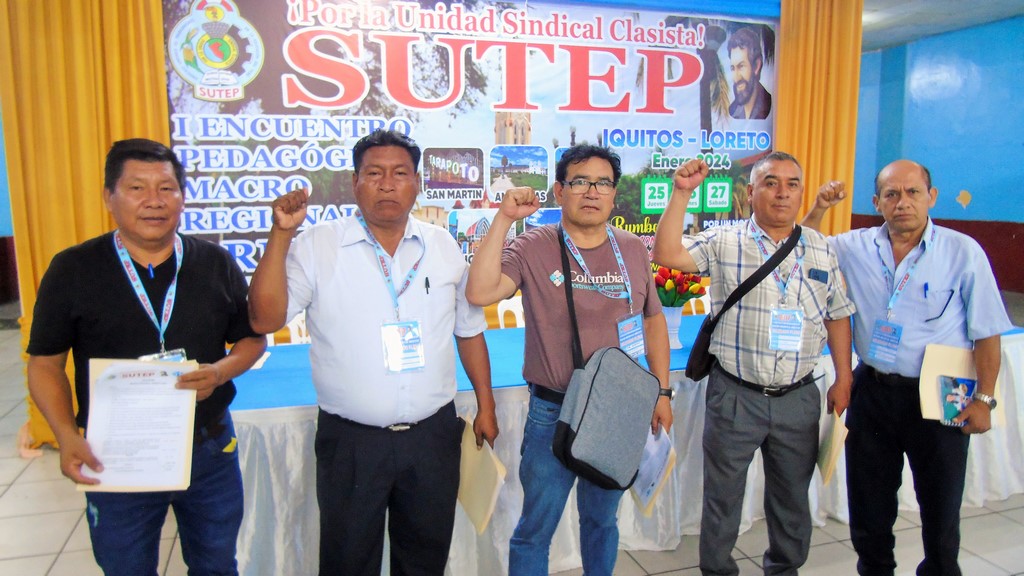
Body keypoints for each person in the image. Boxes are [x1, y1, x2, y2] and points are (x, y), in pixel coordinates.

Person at [247, 129, 498, 576]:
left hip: (432, 437)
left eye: (400, 173)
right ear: (355, 182)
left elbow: (468, 331)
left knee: (424, 558)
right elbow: (265, 319)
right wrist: (281, 235)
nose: (387, 184)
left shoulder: (442, 245)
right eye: (374, 173)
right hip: (352, 443)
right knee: (347, 560)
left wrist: (487, 405)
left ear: (417, 182)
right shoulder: (317, 245)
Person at [26, 138, 266, 575]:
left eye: (166, 188)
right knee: (126, 567)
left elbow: (252, 341)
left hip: (208, 446)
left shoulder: (214, 263)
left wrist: (219, 372)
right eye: (137, 188)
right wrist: (65, 434)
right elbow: (45, 363)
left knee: (216, 564)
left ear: (182, 198)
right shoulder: (73, 269)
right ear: (109, 197)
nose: (154, 201)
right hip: (116, 451)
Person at [465, 144, 674, 575]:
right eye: (580, 182)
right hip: (553, 411)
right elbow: (480, 292)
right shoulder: (533, 246)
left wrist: (663, 390)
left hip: (619, 411)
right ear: (560, 191)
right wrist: (504, 219)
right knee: (535, 530)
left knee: (602, 522)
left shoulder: (633, 248)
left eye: (603, 183)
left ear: (614, 195)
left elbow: (653, 319)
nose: (592, 192)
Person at [803, 159, 1013, 576]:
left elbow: (987, 332)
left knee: (940, 506)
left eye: (913, 192)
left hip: (942, 393)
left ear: (931, 197)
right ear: (876, 202)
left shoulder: (962, 252)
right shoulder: (854, 246)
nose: (903, 202)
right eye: (892, 194)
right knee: (869, 503)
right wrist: (820, 207)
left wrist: (985, 399)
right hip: (873, 391)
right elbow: (804, 245)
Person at [652, 152, 855, 576]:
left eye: (792, 184)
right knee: (722, 499)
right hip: (735, 396)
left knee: (791, 498)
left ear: (801, 192)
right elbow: (667, 253)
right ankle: (718, 571)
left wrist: (844, 377)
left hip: (799, 398)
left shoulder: (820, 247)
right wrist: (681, 193)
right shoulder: (724, 240)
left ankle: (784, 568)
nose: (782, 193)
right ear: (751, 192)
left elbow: (838, 314)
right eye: (771, 182)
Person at [727, 27, 772, 120]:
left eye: (741, 66)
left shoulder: (769, 106)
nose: (736, 78)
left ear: (756, 66)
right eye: (733, 68)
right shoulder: (733, 111)